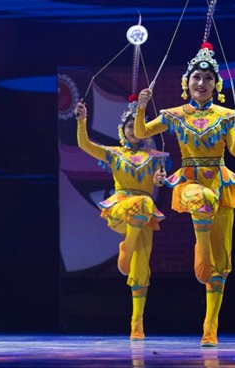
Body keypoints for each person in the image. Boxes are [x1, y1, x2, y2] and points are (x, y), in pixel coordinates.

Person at [135, 42, 235, 347]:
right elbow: (143, 132)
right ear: (187, 83)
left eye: (208, 79)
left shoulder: (226, 116)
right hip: (189, 181)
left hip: (220, 183)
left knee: (221, 262)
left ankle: (210, 328)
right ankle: (201, 248)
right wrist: (143, 105)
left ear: (216, 84)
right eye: (197, 77)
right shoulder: (175, 114)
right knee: (202, 199)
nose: (202, 83)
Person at [74, 95, 167, 340]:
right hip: (122, 207)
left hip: (145, 215)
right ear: (122, 131)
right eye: (128, 127)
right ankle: (125, 246)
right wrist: (82, 121)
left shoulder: (155, 156)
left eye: (136, 126)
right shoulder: (114, 154)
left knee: (142, 267)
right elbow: (85, 145)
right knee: (145, 201)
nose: (133, 131)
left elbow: (160, 178)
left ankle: (137, 324)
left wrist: (159, 180)